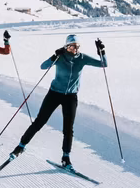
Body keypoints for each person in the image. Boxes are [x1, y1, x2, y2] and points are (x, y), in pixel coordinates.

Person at [10, 34, 106, 168]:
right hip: (54, 94)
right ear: (67, 46)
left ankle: (66, 157)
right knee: (39, 121)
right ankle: (20, 146)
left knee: (68, 129)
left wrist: (102, 52)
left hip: (71, 97)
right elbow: (43, 66)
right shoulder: (60, 57)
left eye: (77, 46)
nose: (75, 49)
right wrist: (54, 56)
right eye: (72, 46)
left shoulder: (82, 58)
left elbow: (103, 64)